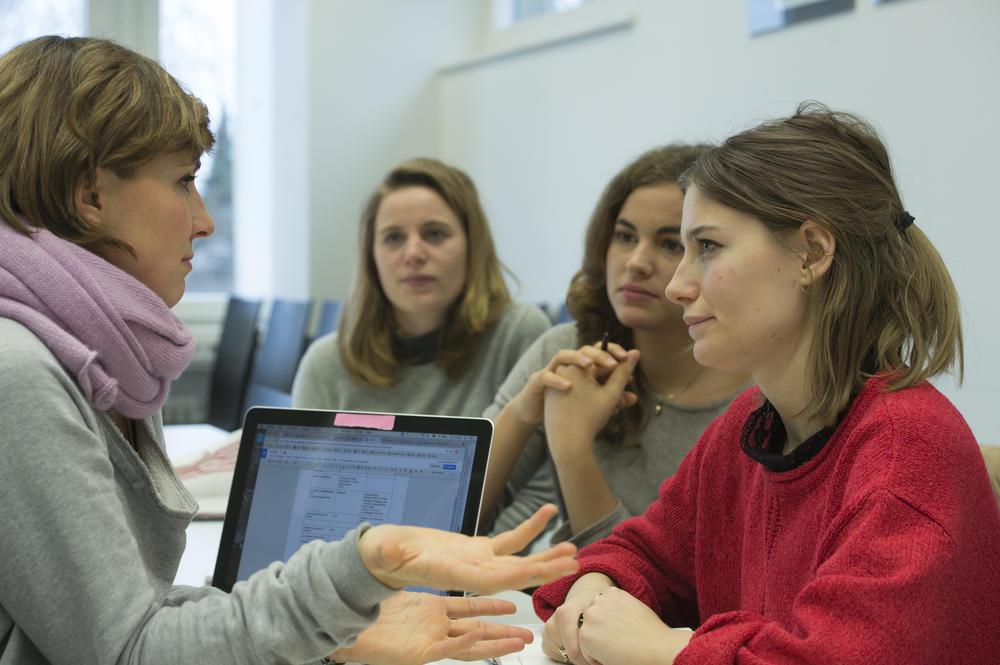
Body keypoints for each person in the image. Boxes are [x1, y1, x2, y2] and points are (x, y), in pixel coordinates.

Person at [0, 35, 579, 665]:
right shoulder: (21, 373)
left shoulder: (111, 355)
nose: (205, 220)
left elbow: (135, 615)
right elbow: (129, 651)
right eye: (184, 181)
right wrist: (351, 575)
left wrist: (336, 630)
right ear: (90, 196)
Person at [532, 103, 1000, 664]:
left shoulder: (908, 454)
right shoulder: (749, 425)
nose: (678, 286)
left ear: (812, 253)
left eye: (707, 247)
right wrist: (592, 594)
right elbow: (643, 554)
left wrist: (665, 649)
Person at [480, 145, 750, 543]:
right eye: (625, 236)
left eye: (670, 244)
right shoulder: (566, 350)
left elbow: (639, 570)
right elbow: (445, 522)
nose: (636, 262)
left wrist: (572, 449)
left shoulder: (759, 390)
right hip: (562, 583)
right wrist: (521, 414)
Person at [291, 157, 551, 419]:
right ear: (372, 258)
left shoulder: (519, 334)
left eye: (434, 234)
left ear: (473, 246)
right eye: (394, 238)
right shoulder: (325, 365)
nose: (413, 254)